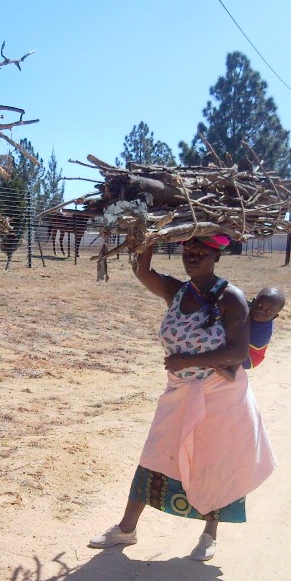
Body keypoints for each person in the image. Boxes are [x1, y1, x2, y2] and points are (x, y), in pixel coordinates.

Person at [88, 234, 276, 562]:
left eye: (202, 252)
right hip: (180, 391)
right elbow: (143, 272)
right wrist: (148, 236)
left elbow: (235, 352)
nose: (193, 256)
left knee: (213, 462)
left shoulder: (231, 299)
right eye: (188, 249)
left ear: (217, 256)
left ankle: (209, 534)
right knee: (156, 452)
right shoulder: (178, 291)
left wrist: (186, 361)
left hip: (221, 398)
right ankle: (126, 529)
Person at [215, 286, 286, 381]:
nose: (261, 311)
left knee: (237, 344)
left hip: (251, 357)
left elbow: (241, 343)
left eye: (268, 311)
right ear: (253, 302)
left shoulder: (262, 331)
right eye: (259, 306)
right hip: (247, 346)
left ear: (275, 316)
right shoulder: (249, 309)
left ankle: (232, 372)